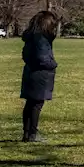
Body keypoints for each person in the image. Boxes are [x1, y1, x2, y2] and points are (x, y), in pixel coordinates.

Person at [19, 10, 60, 142]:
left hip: (31, 72)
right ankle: (32, 134)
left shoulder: (32, 37)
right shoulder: (41, 38)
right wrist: (53, 64)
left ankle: (27, 133)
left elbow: (25, 55)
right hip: (40, 75)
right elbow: (42, 58)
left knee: (30, 104)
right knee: (36, 105)